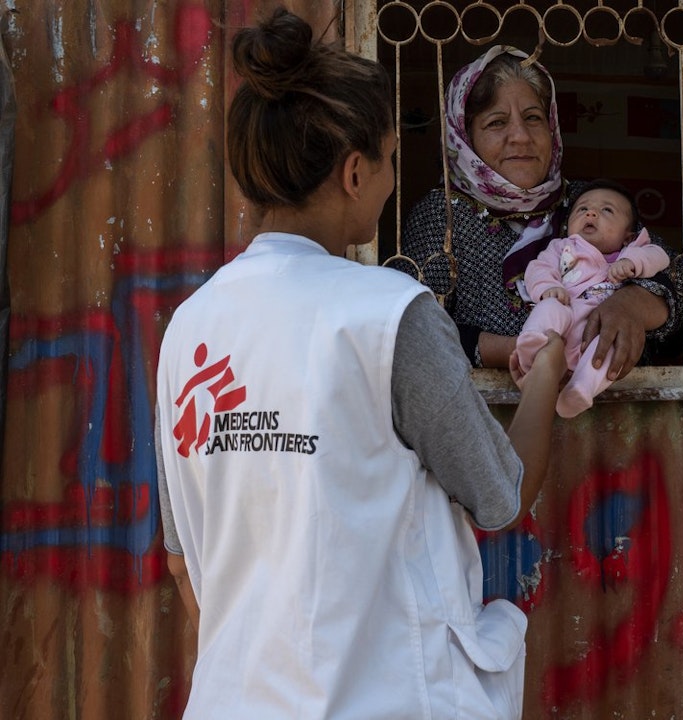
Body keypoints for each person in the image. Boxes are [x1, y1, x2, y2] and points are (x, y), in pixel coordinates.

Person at [154, 9, 566, 720]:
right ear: (353, 173)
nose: (391, 181)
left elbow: (180, 561)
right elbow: (503, 496)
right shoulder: (389, 315)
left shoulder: (190, 328)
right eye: (389, 160)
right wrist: (550, 366)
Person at [402, 45, 683, 378]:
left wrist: (630, 305)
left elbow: (682, 275)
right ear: (464, 137)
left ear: (552, 127)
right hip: (493, 406)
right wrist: (528, 352)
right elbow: (415, 332)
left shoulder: (585, 201)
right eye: (497, 122)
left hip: (614, 401)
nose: (521, 137)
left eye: (533, 118)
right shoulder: (440, 216)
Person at [515, 179, 671, 417]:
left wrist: (631, 262)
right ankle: (532, 345)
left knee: (612, 345)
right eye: (582, 209)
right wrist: (549, 287)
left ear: (628, 236)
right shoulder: (562, 247)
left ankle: (581, 389)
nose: (591, 213)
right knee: (549, 308)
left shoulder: (630, 251)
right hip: (565, 317)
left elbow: (659, 256)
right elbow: (538, 268)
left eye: (606, 210)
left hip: (597, 330)